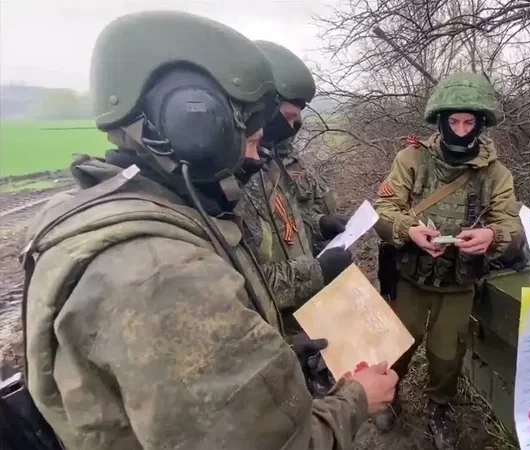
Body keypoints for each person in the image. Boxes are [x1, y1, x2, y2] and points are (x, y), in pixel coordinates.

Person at [20, 11, 397, 449]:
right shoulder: (162, 275)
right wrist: (355, 400)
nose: (255, 158)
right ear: (196, 129)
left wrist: (267, 358)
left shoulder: (106, 211)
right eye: (250, 141)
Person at [373, 72, 522, 449]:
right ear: (440, 121)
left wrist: (492, 236)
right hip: (410, 275)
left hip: (458, 282)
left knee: (447, 354)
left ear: (481, 124)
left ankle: (439, 406)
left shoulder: (496, 174)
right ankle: (387, 393)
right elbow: (383, 210)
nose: (461, 131)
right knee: (398, 343)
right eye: (453, 121)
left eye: (469, 122)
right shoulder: (411, 159)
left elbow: (512, 226)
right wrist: (410, 230)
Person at [236, 40, 349, 396]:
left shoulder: (269, 163)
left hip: (300, 316)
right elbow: (249, 280)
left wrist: (319, 226)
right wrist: (317, 271)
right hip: (269, 334)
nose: (293, 126)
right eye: (286, 117)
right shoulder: (232, 180)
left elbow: (288, 223)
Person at [274, 117, 340, 255]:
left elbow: (319, 202)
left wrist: (321, 223)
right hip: (296, 262)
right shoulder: (256, 170)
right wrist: (319, 224)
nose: (290, 127)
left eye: (295, 123)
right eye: (286, 117)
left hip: (316, 252)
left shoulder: (296, 160)